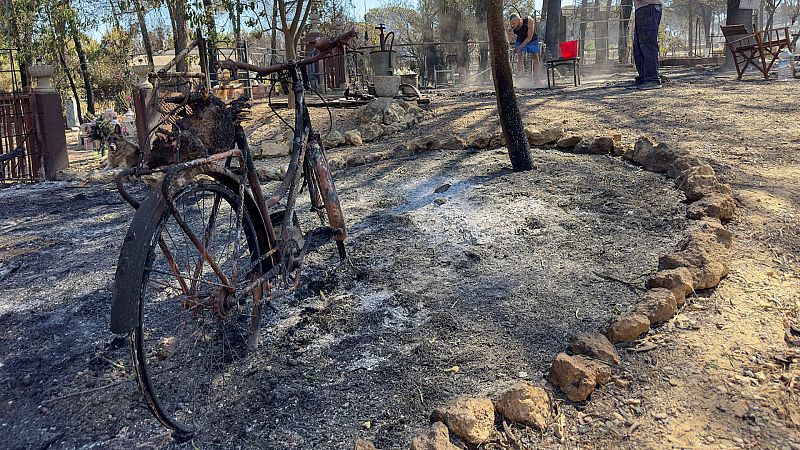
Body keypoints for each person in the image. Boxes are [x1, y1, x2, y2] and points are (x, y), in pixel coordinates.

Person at [632, 0, 663, 89]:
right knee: (638, 46)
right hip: (643, 8)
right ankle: (644, 78)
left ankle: (652, 79)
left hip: (648, 7)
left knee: (647, 44)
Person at [509, 14, 542, 81]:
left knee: (535, 56)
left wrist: (519, 47)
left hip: (532, 39)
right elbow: (510, 40)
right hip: (520, 39)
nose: (512, 25)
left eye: (513, 23)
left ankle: (537, 78)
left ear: (519, 20)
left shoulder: (529, 21)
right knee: (520, 56)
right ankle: (519, 78)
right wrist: (510, 35)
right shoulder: (511, 27)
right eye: (511, 24)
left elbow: (529, 37)